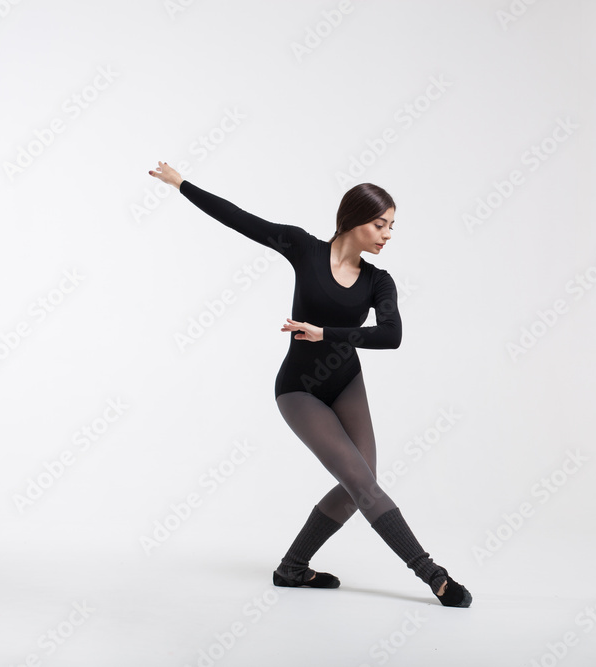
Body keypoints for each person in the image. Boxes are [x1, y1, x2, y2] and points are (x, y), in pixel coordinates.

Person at [147, 161, 471, 608]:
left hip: (346, 383)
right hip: (299, 389)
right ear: (354, 219)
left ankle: (292, 569)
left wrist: (326, 333)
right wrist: (181, 184)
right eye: (380, 224)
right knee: (362, 484)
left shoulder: (379, 281)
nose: (387, 235)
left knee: (363, 484)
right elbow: (239, 218)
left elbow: (391, 336)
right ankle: (433, 575)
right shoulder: (303, 248)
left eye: (392, 226)